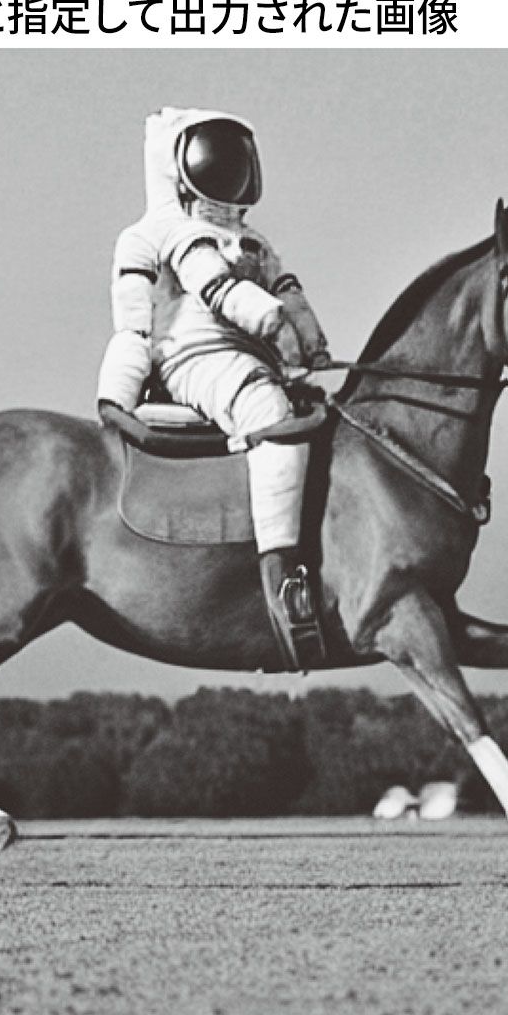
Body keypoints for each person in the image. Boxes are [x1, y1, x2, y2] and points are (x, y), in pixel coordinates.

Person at [96, 107, 330, 667]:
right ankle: (282, 578)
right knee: (267, 410)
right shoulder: (164, 234)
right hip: (193, 357)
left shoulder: (254, 241)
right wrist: (117, 397)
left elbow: (288, 293)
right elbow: (185, 302)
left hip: (257, 355)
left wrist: (312, 342)